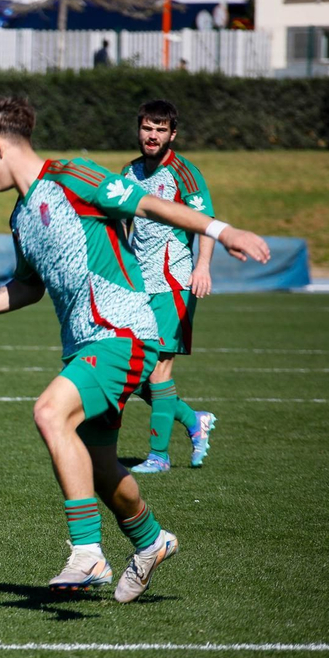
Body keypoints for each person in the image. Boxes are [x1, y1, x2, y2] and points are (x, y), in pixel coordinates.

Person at [0, 96, 270, 600]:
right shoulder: (21, 217)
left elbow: (148, 203)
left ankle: (87, 553)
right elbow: (27, 287)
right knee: (99, 468)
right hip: (84, 344)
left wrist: (222, 231)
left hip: (124, 331)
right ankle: (150, 540)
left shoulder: (73, 176)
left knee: (51, 413)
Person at [121, 99, 218, 472]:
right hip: (137, 286)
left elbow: (206, 221)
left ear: (172, 134)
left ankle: (159, 456)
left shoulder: (184, 173)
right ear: (139, 129)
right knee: (133, 371)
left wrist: (203, 266)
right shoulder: (128, 173)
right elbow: (121, 224)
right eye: (148, 128)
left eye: (161, 129)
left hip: (174, 282)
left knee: (160, 369)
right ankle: (194, 420)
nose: (153, 135)